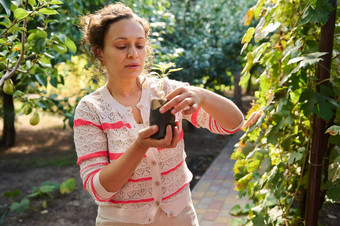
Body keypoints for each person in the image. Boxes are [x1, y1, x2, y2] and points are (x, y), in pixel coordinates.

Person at [74, 3, 244, 226]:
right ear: (100, 53)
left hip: (180, 218)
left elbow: (232, 124)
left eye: (140, 45)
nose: (133, 53)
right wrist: (140, 146)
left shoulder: (165, 91)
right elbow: (99, 190)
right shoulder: (91, 109)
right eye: (122, 46)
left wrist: (201, 95)